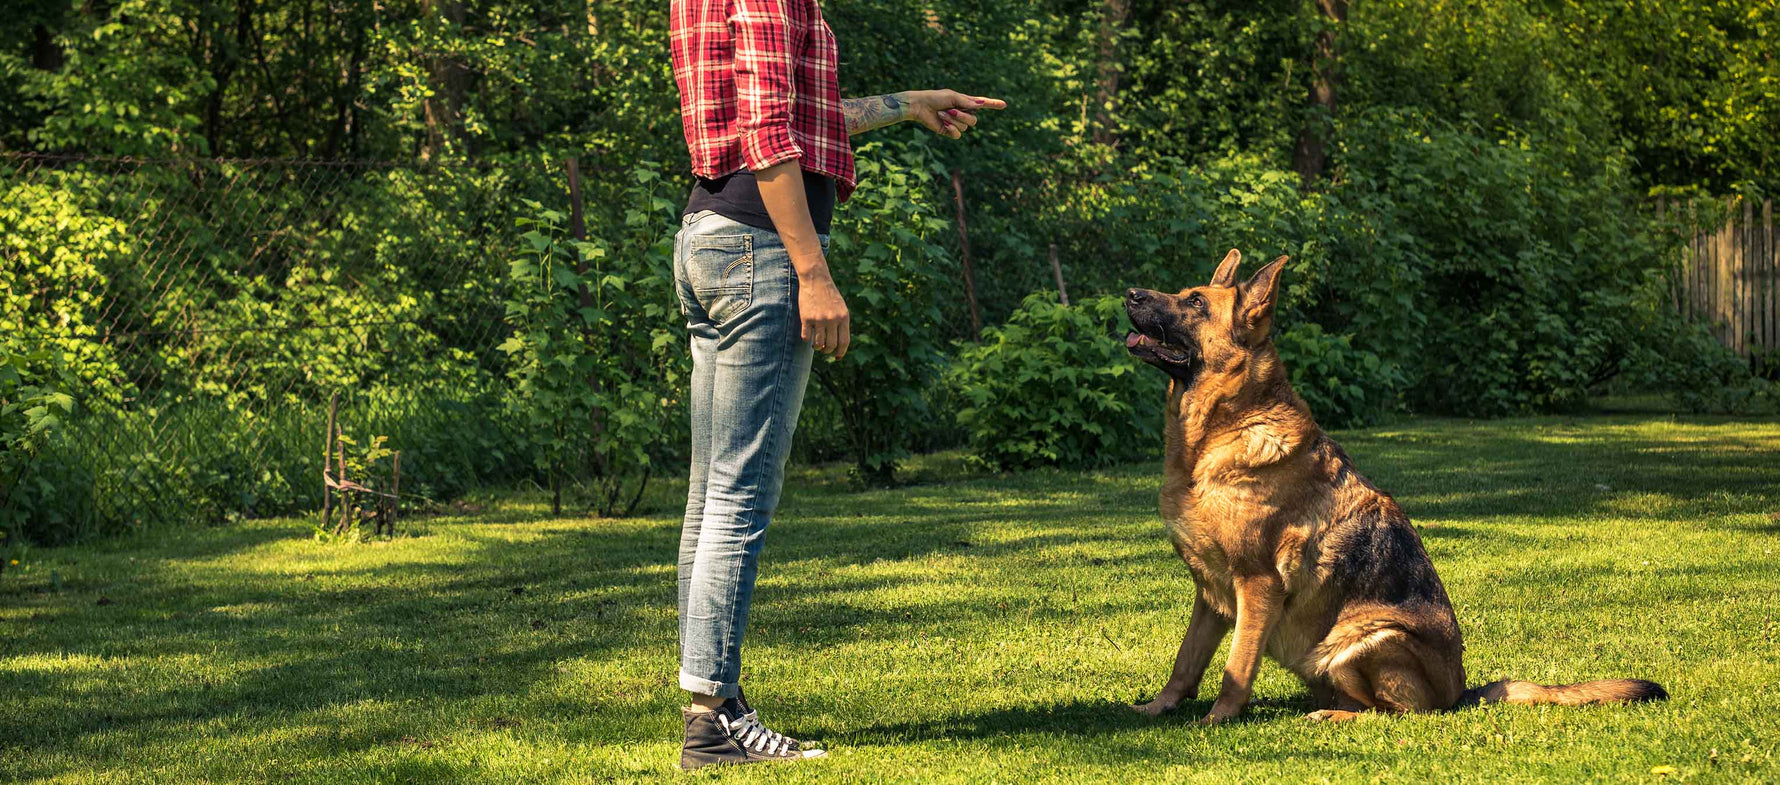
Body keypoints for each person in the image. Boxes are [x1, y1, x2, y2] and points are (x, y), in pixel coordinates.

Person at [668, 0, 1005, 771]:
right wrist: (813, 273)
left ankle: (711, 700)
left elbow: (795, 117)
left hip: (712, 239)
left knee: (712, 493)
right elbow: (766, 134)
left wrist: (908, 104)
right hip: (760, 252)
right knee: (741, 491)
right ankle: (712, 717)